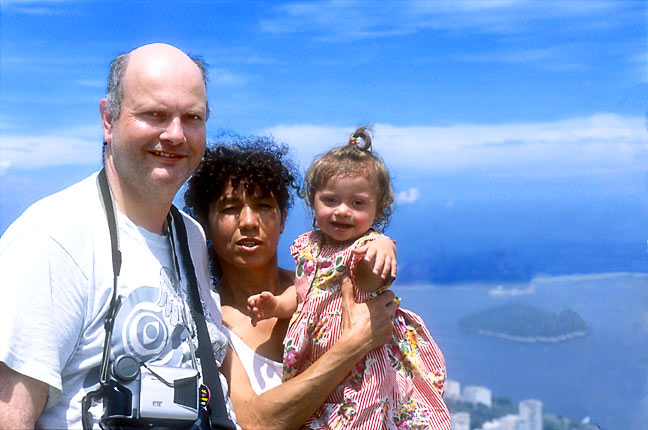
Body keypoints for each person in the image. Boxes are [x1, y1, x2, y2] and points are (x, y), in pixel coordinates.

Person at [0, 43, 234, 429]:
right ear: (108, 120)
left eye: (192, 117)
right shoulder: (52, 238)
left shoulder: (189, 235)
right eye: (155, 115)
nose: (175, 134)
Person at [184, 138, 399, 429]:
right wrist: (354, 343)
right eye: (230, 209)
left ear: (283, 219)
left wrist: (379, 242)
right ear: (204, 225)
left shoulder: (325, 285)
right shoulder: (204, 322)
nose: (248, 222)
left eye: (262, 206)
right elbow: (255, 423)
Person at [247, 126, 452, 429]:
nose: (342, 211)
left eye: (357, 204)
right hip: (318, 359)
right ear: (312, 201)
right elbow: (305, 294)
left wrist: (381, 245)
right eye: (330, 200)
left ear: (377, 210)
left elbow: (372, 275)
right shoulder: (310, 246)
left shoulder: (365, 248)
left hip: (362, 363)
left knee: (362, 413)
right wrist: (276, 305)